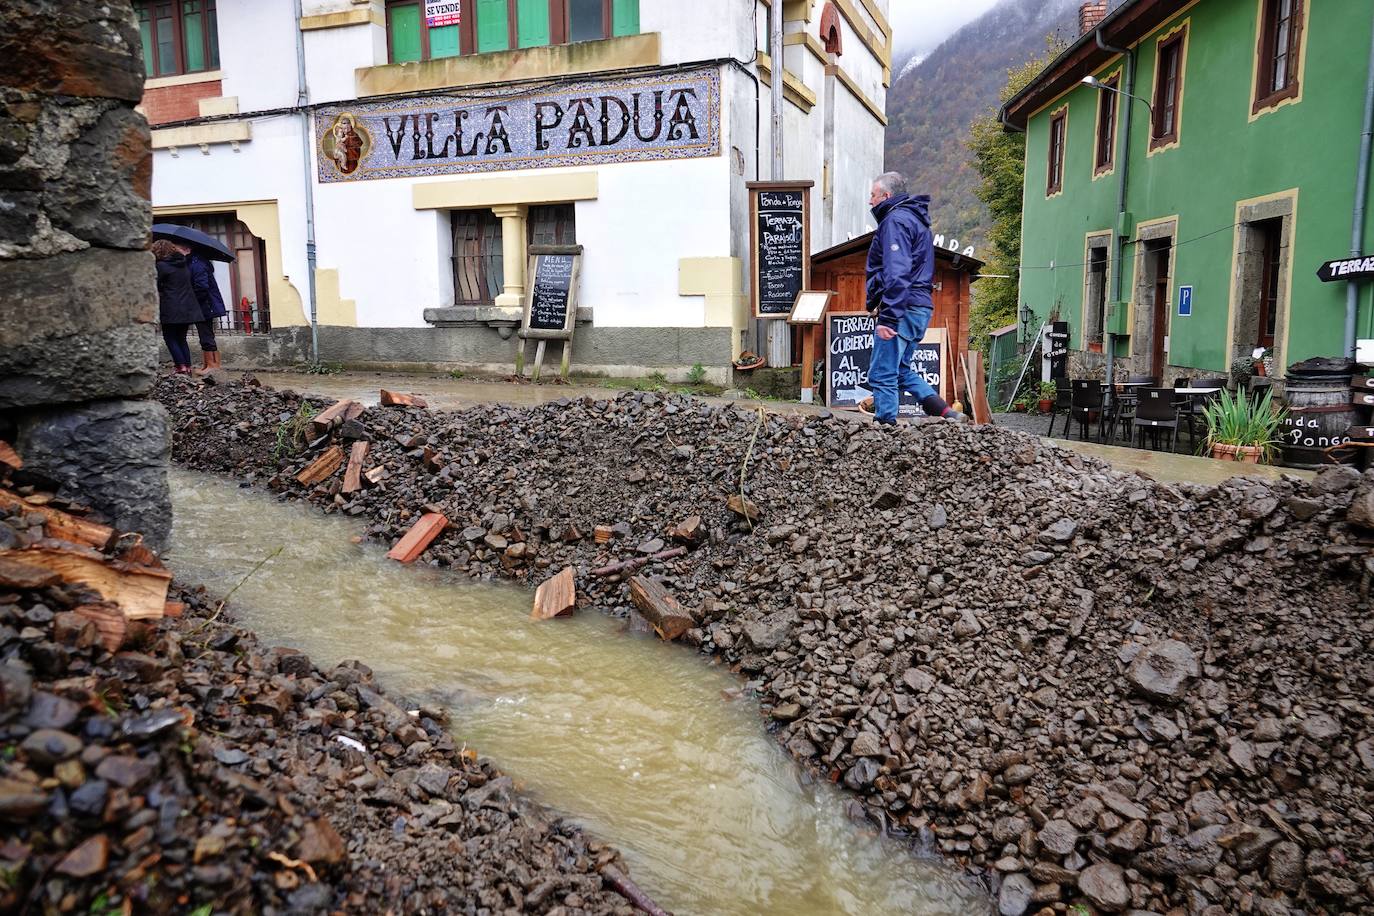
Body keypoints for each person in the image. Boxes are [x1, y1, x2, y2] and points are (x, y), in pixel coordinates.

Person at [864, 171, 964, 424]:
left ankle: (885, 426)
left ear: (886, 196)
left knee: (882, 372)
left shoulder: (895, 221)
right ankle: (945, 411)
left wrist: (888, 316)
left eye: (873, 196)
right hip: (919, 306)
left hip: (903, 307)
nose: (870, 202)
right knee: (900, 371)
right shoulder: (916, 220)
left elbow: (897, 272)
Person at [152, 239, 203, 374]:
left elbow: (156, 285)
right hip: (187, 307)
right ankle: (188, 367)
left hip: (171, 307)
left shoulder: (161, 266)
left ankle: (180, 367)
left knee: (169, 337)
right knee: (181, 338)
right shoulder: (183, 264)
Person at [187, 249, 226, 370]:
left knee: (206, 335)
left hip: (204, 305)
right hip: (204, 304)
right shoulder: (196, 262)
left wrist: (193, 300)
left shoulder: (197, 264)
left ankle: (212, 365)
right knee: (206, 335)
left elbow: (202, 286)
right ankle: (208, 364)